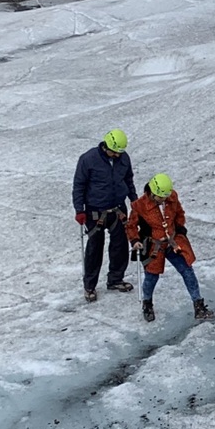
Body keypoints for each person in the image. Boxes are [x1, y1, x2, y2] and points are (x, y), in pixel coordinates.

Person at [127, 173, 208, 323]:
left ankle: (198, 305)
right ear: (152, 193)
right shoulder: (139, 206)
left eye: (165, 197)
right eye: (161, 197)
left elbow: (179, 213)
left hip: (173, 242)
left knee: (187, 270)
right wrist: (135, 241)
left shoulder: (172, 197)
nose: (164, 200)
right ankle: (147, 304)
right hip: (153, 247)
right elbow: (131, 226)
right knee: (151, 277)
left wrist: (180, 228)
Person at [72, 128, 137, 302]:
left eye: (119, 152)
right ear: (107, 146)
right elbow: (79, 185)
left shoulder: (124, 158)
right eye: (115, 152)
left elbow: (128, 179)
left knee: (120, 245)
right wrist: (79, 210)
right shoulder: (88, 159)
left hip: (118, 209)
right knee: (95, 248)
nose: (117, 155)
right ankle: (90, 286)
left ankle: (115, 279)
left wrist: (134, 201)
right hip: (95, 212)